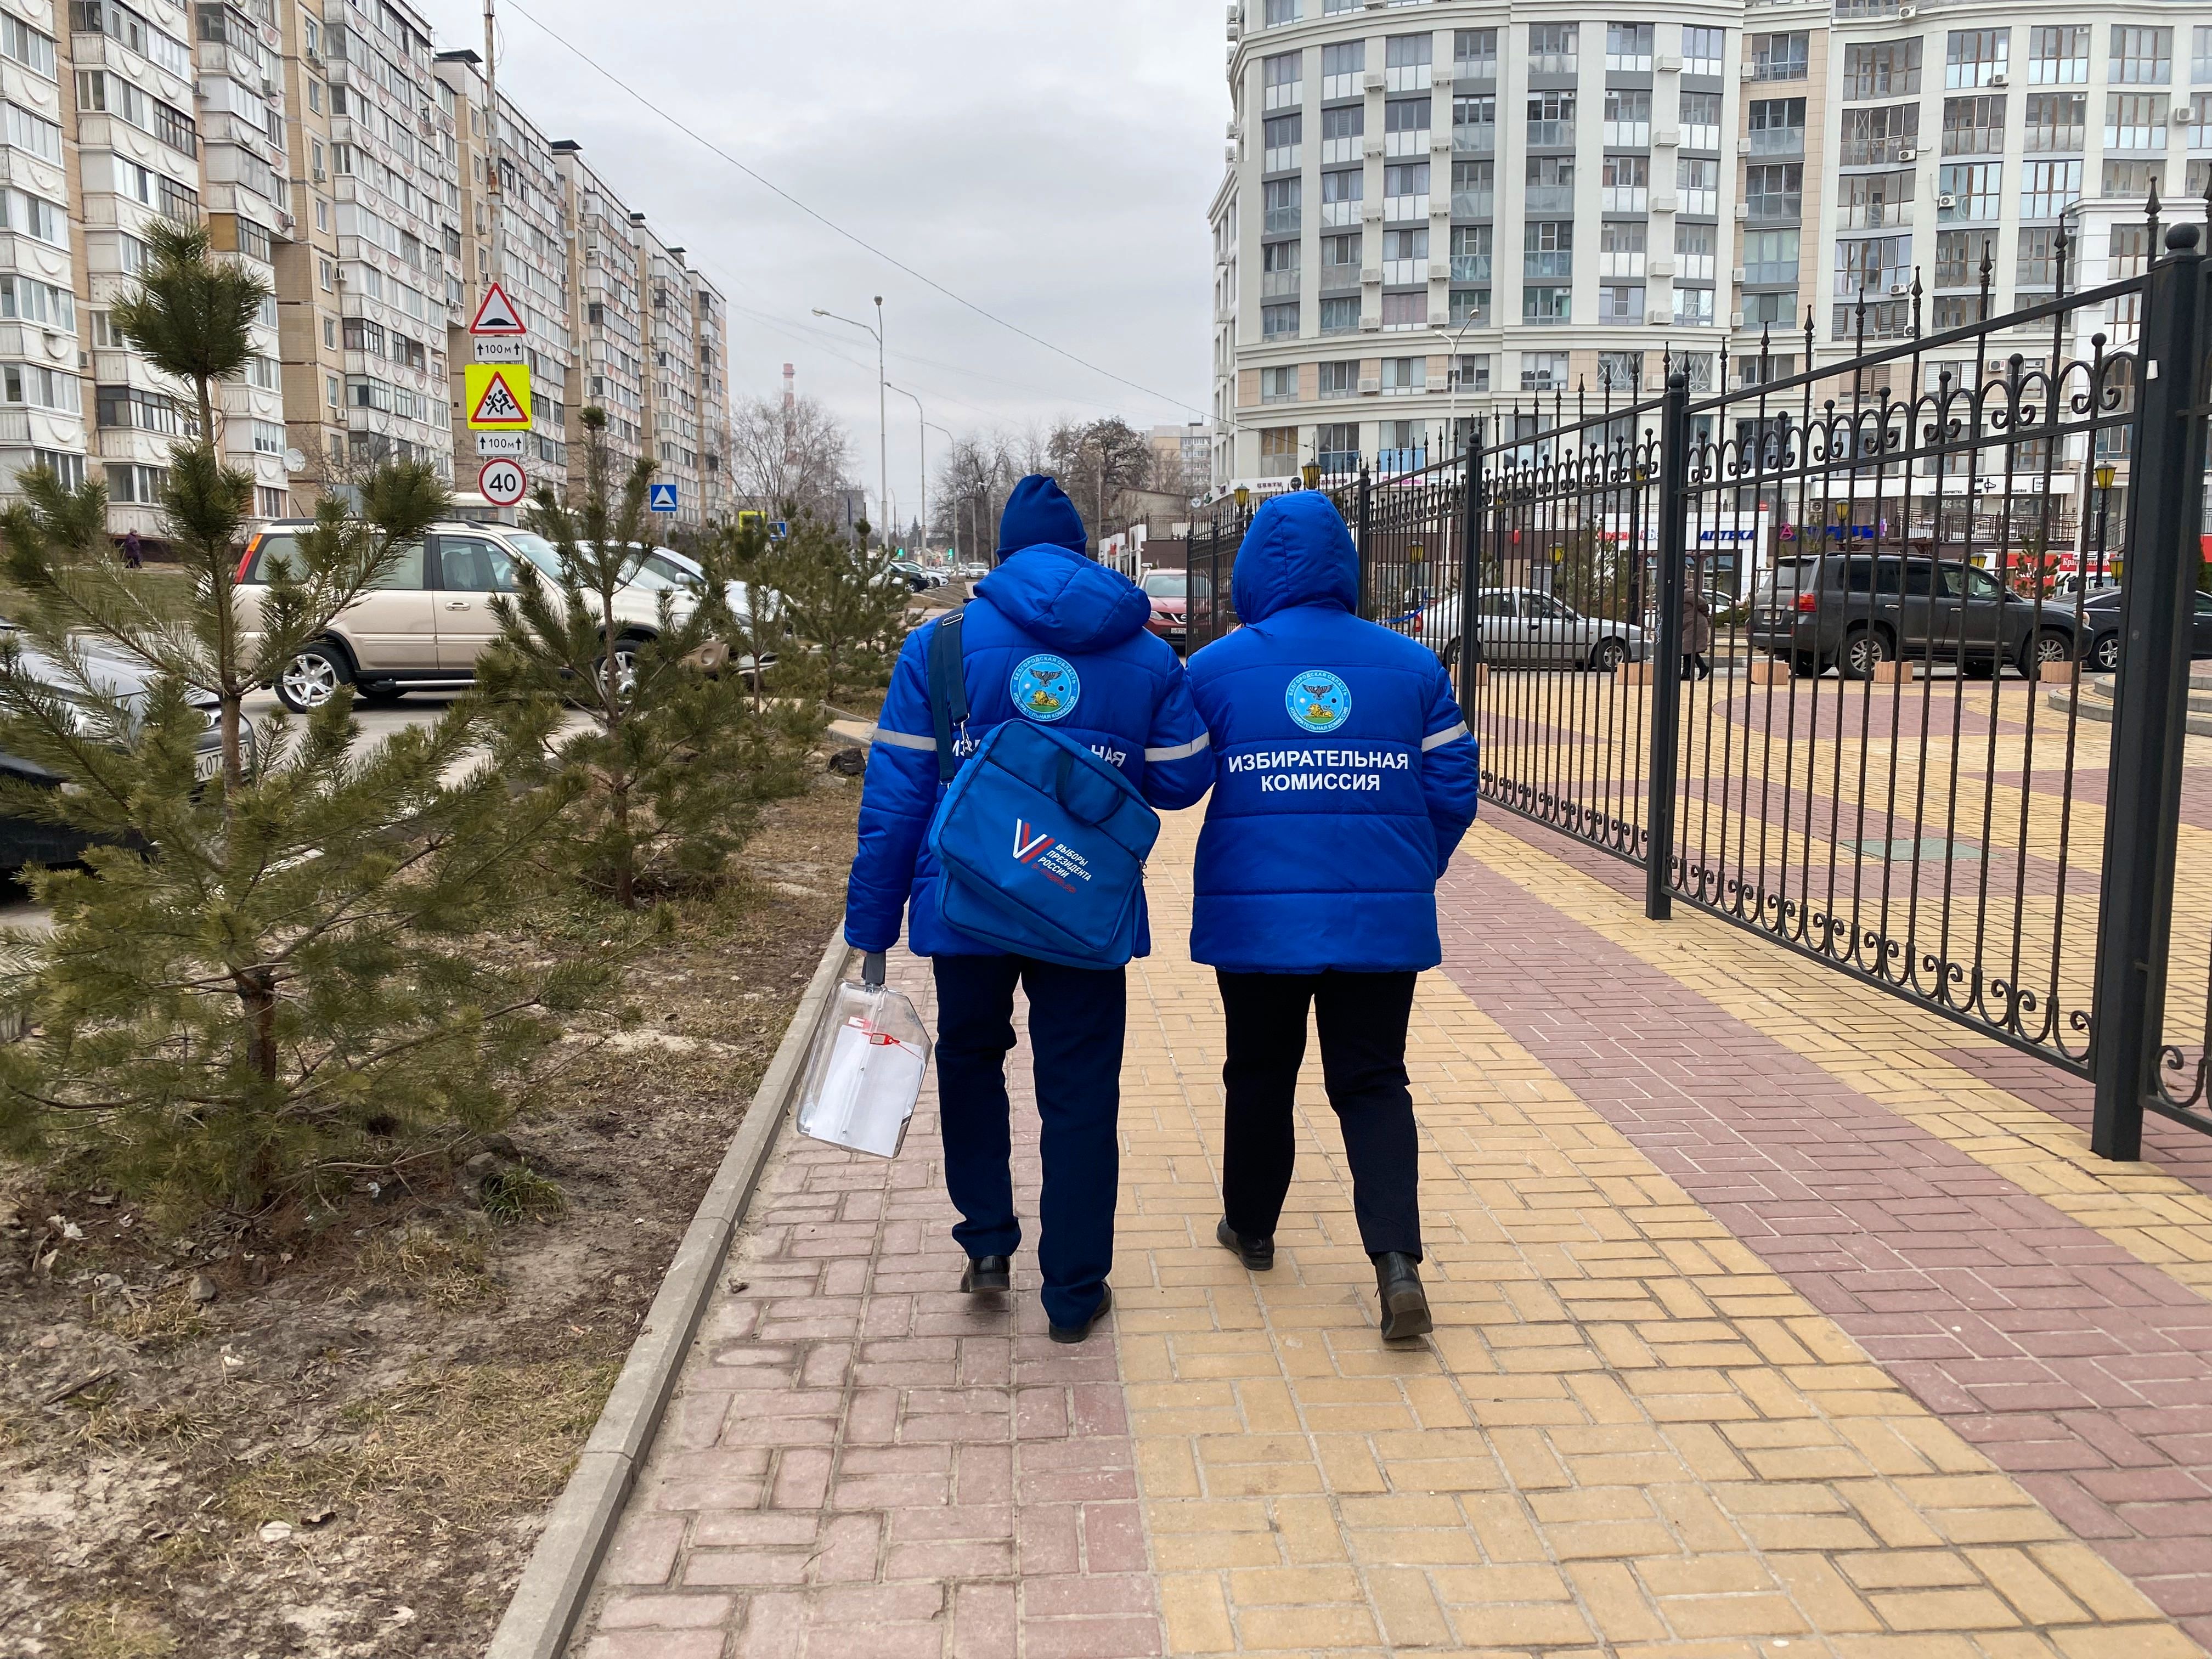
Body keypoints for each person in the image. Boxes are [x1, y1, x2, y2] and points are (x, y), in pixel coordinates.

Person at [843, 476, 1212, 1343]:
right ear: (1084, 553)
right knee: (1080, 1092)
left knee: (973, 1065)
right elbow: (1185, 776)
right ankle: (1075, 1294)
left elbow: (894, 800)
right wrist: (1102, 761)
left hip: (966, 901)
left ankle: (987, 1245)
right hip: (1082, 905)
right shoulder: (1149, 653)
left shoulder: (939, 647)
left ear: (1003, 555)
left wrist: (871, 928)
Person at [1184, 490, 1479, 1341]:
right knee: (1374, 1081)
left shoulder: (1214, 669)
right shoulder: (1415, 667)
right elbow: (1454, 787)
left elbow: (1177, 778)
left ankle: (1254, 1228)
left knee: (1260, 1074)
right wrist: (1413, 869)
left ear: (1247, 571)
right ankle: (1396, 1266)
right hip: (1377, 925)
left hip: (1257, 926)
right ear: (1347, 564)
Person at [1681, 581, 1713, 681]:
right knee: (1687, 649)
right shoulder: (1678, 595)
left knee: (1689, 648)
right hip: (1688, 625)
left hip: (1695, 624)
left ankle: (1701, 668)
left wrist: (1705, 614)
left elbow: (1702, 603)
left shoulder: (1687, 593)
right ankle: (1687, 673)